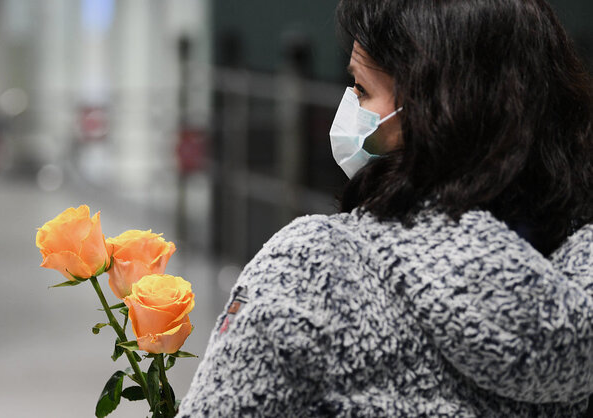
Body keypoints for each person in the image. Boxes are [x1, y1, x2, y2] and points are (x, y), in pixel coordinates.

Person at [177, 0, 593, 416]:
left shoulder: (313, 269)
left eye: (362, 89)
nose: (348, 108)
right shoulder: (574, 283)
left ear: (437, 112)